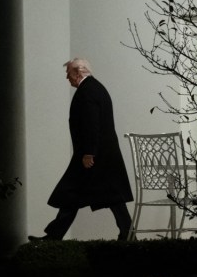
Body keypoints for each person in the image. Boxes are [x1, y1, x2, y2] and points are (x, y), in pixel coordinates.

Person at [29, 58, 134, 241]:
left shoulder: (88, 92)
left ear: (78, 72)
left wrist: (88, 153)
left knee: (76, 194)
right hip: (102, 155)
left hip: (93, 156)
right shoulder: (95, 88)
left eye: (68, 73)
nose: (67, 78)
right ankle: (127, 233)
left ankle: (54, 236)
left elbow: (91, 124)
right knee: (101, 195)